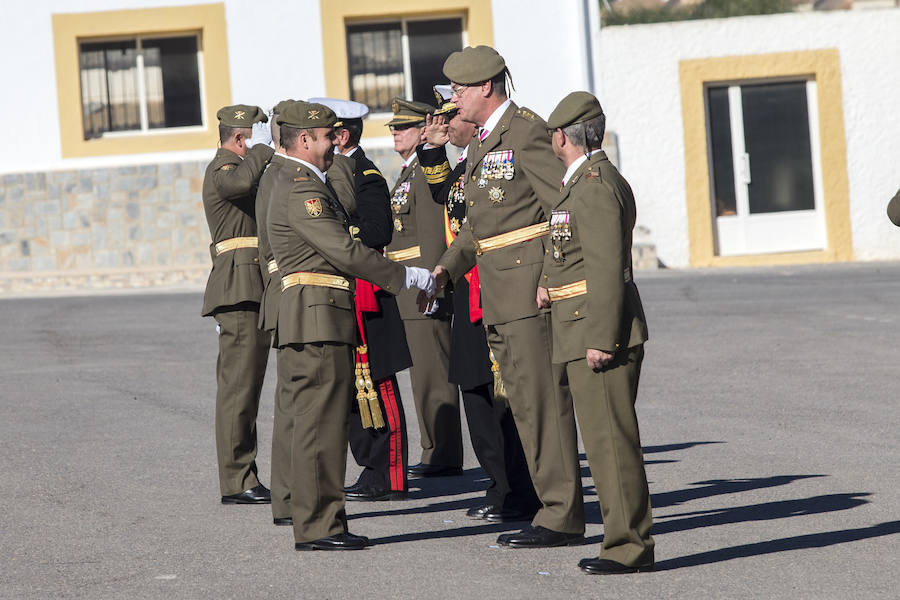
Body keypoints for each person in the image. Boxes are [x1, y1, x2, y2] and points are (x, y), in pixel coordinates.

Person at [424, 46, 586, 548]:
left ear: (486, 88)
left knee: (543, 403)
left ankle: (561, 514)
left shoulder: (525, 132)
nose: (453, 98)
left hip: (527, 289)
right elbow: (480, 225)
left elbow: (564, 205)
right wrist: (447, 270)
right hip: (496, 290)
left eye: (459, 89)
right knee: (522, 406)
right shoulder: (481, 143)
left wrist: (550, 276)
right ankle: (545, 504)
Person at [265, 101, 435, 550]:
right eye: (325, 138)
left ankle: (314, 520)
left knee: (312, 425)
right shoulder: (303, 188)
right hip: (318, 318)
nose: (332, 145)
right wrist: (406, 276)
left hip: (308, 316)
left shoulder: (292, 180)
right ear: (305, 140)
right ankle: (321, 526)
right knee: (321, 428)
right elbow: (344, 250)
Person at [543, 91, 654, 574]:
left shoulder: (595, 184)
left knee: (611, 444)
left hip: (598, 333)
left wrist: (602, 338)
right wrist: (550, 283)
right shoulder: (582, 183)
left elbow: (609, 269)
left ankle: (629, 547)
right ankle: (621, 540)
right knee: (604, 444)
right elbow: (575, 253)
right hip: (580, 327)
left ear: (562, 137)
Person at [416, 88, 539, 522]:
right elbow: (444, 198)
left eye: (453, 117)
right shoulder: (467, 167)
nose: (447, 124)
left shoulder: (496, 157)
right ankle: (498, 484)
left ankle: (519, 489)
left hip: (497, 286)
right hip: (467, 288)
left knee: (505, 398)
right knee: (475, 392)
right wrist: (432, 150)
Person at [309, 97, 413, 501]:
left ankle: (390, 473)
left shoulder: (364, 173)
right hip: (344, 290)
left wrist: (336, 237)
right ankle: (369, 466)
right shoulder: (328, 174)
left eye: (328, 133)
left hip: (369, 291)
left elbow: (377, 230)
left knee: (378, 383)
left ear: (342, 134)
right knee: (353, 387)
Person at [385, 98, 463, 479]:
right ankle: (434, 448)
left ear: (423, 131)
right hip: (407, 284)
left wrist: (433, 284)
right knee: (423, 372)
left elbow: (435, 233)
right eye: (393, 128)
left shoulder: (423, 171)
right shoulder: (409, 171)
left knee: (433, 371)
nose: (395, 133)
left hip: (422, 286)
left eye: (403, 127)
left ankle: (442, 453)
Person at [201, 104, 274, 505]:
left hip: (253, 283)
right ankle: (238, 479)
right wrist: (263, 152)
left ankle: (245, 473)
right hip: (238, 285)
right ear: (240, 138)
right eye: (254, 138)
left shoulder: (243, 168)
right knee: (238, 389)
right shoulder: (224, 168)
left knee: (249, 386)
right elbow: (239, 186)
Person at [254, 99, 296, 525]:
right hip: (301, 297)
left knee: (290, 405)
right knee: (305, 407)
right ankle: (295, 497)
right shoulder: (292, 175)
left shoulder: (273, 173)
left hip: (281, 293)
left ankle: (287, 496)